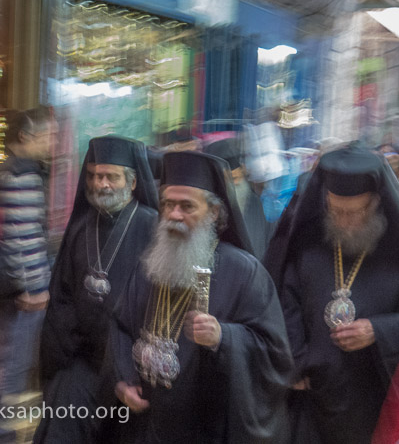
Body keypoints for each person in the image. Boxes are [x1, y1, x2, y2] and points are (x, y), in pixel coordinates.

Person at [265, 142, 399, 444]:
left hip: (376, 389)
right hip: (314, 387)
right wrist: (295, 360)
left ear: (377, 202)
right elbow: (285, 302)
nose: (345, 221)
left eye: (356, 212)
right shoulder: (307, 240)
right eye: (336, 210)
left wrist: (377, 329)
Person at [111, 150, 293, 443]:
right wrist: (124, 381)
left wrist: (224, 336)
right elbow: (121, 326)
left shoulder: (244, 272)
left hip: (207, 427)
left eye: (186, 206)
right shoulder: (150, 264)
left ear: (214, 212)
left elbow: (274, 356)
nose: (174, 214)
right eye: (168, 204)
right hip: (147, 422)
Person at [35, 135, 159, 443]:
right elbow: (62, 294)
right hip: (83, 363)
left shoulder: (152, 226)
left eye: (110, 177)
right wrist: (67, 349)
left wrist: (130, 365)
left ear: (131, 182)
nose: (100, 184)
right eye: (93, 176)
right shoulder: (80, 228)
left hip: (130, 368)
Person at [0, 106, 56, 442]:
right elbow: (21, 238)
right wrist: (30, 289)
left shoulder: (15, 172)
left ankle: (5, 429)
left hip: (17, 287)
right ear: (25, 137)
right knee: (14, 365)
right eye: (47, 135)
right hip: (25, 291)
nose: (53, 141)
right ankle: (1, 433)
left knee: (12, 362)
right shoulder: (20, 177)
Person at [204, 137, 275, 259]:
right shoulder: (204, 212)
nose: (233, 186)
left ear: (242, 172)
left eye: (236, 179)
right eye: (226, 182)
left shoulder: (261, 208)